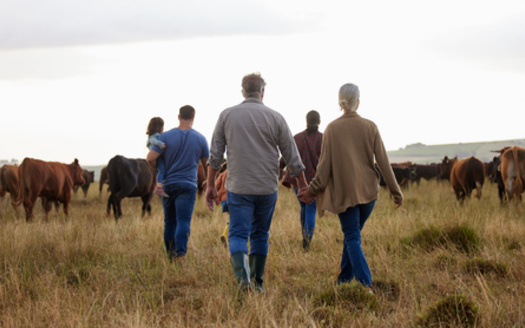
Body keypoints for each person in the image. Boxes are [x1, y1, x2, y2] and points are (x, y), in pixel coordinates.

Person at [205, 72, 308, 292]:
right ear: (262, 91)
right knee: (260, 234)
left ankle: (243, 281)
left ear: (242, 91)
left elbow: (215, 155)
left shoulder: (226, 115)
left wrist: (210, 185)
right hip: (266, 187)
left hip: (238, 187)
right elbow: (292, 154)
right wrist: (303, 183)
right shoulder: (276, 117)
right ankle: (258, 283)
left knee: (238, 233)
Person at [298, 83, 403, 294]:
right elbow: (383, 162)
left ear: (340, 102)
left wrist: (311, 190)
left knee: (352, 236)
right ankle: (344, 279)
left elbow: (323, 167)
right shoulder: (370, 126)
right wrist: (395, 191)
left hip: (344, 194)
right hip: (368, 193)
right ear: (358, 101)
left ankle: (365, 284)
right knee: (352, 235)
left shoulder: (332, 129)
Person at [147, 105, 209, 261]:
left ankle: (170, 255)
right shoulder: (201, 138)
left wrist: (158, 169)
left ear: (178, 117)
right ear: (193, 118)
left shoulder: (164, 137)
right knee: (183, 221)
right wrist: (208, 180)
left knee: (169, 221)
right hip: (188, 186)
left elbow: (150, 158)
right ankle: (180, 254)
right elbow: (207, 163)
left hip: (168, 184)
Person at [282, 110, 323, 251]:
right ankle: (307, 241)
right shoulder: (322, 139)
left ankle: (304, 236)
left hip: (298, 180)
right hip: (315, 181)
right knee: (311, 208)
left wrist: (279, 168)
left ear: (306, 121)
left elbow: (286, 156)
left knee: (303, 207)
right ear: (319, 121)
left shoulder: (297, 138)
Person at [146, 117, 169, 197]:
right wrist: (160, 144)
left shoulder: (153, 135)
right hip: (157, 156)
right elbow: (153, 141)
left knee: (162, 169)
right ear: (159, 127)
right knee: (162, 169)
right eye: (162, 126)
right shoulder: (154, 136)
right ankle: (159, 187)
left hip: (158, 155)